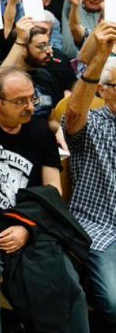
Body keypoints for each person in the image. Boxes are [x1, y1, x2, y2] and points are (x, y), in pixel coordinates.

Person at [0, 23, 88, 333]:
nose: (30, 106)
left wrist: (27, 227)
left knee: (69, 283)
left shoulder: (39, 131)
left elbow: (52, 189)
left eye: (32, 99)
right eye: (21, 101)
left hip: (27, 221)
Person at [62, 23, 116, 325]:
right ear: (103, 91)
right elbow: (73, 113)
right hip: (101, 228)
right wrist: (98, 59)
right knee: (113, 303)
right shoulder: (92, 124)